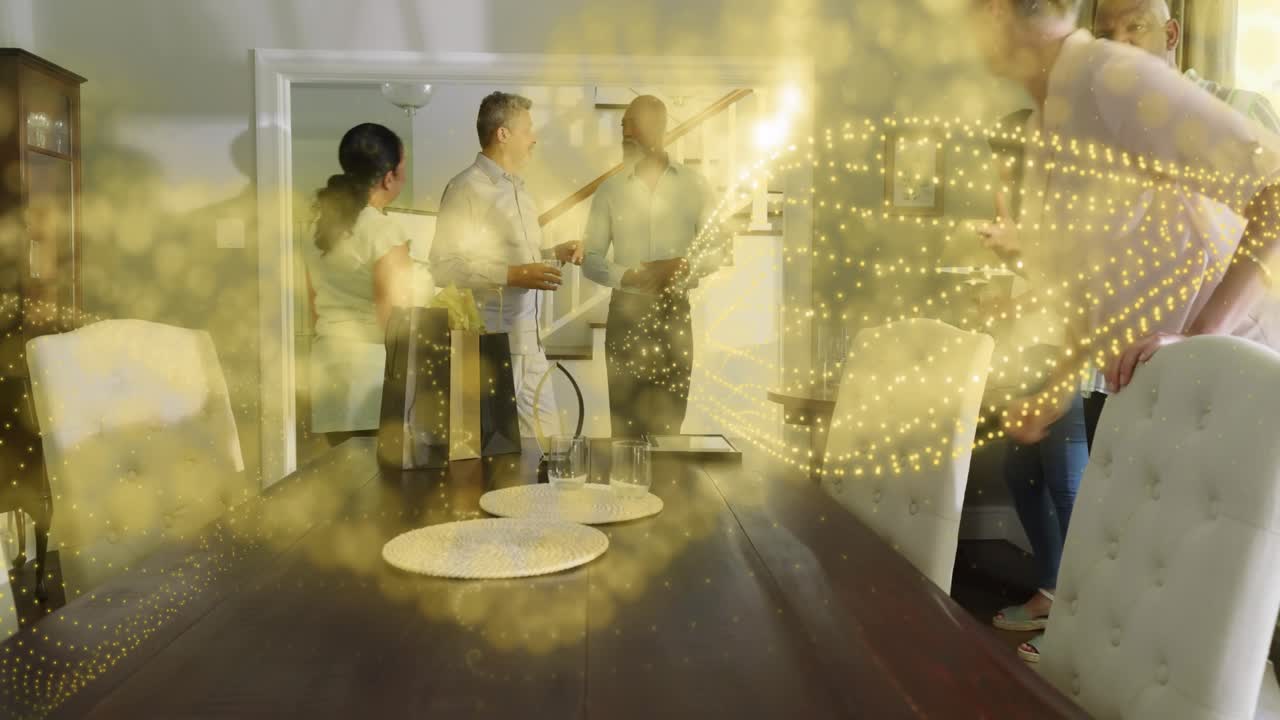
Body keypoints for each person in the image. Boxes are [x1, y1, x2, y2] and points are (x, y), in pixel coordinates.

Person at [966, 0, 1280, 662]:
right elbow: (1099, 289)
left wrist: (1197, 337)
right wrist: (1053, 387)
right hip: (1162, 390)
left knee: (1211, 636)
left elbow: (1274, 188)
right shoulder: (1053, 122)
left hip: (1237, 387)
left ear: (996, 11)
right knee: (1157, 621)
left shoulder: (1111, 78)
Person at [429, 91, 583, 439]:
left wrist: (553, 253)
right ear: (503, 134)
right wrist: (513, 274)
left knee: (550, 448)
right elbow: (442, 267)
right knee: (493, 456)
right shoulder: (464, 188)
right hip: (489, 346)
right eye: (527, 128)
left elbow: (515, 260)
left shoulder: (521, 191)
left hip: (530, 345)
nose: (534, 137)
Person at [582, 95, 719, 439]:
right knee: (625, 431)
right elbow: (591, 259)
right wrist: (627, 276)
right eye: (622, 125)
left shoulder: (696, 186)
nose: (624, 131)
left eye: (632, 123)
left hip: (674, 315)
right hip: (625, 317)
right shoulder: (609, 191)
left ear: (658, 127)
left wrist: (684, 265)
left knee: (669, 428)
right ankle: (626, 493)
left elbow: (718, 250)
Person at [303, 123, 413, 447]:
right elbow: (392, 315)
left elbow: (314, 305)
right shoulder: (383, 231)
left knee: (345, 482)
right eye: (403, 167)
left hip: (327, 366)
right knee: (382, 488)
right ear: (388, 177)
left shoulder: (316, 228)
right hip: (371, 374)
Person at [1094, 0, 1280, 134]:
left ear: (1170, 35)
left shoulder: (1244, 111)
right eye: (1104, 36)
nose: (1117, 44)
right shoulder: (1098, 130)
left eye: (1137, 27)